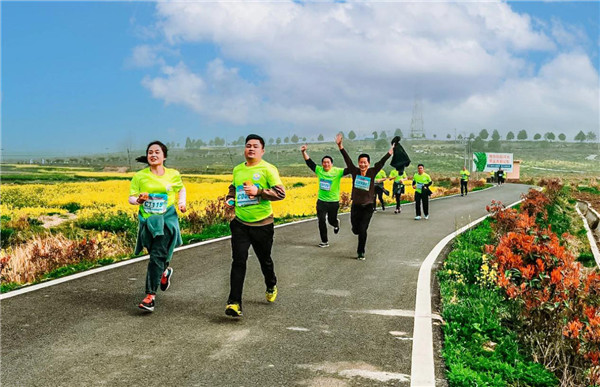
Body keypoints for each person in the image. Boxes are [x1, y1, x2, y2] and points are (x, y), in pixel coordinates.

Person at [224, 134, 286, 318]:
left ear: (262, 150)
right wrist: (230, 198)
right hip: (240, 223)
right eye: (248, 145)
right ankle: (234, 302)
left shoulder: (268, 169)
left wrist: (258, 191)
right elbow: (233, 188)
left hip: (263, 225)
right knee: (238, 261)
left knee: (264, 260)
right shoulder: (238, 170)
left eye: (255, 146)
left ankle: (271, 283)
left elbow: (280, 193)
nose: (251, 149)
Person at [129, 141, 186, 312]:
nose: (153, 155)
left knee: (157, 255)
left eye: (157, 152)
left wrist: (181, 204)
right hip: (148, 220)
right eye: (150, 152)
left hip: (166, 218)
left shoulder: (173, 174)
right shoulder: (140, 176)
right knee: (153, 250)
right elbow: (131, 198)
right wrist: (138, 200)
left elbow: (181, 189)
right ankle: (164, 271)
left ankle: (150, 296)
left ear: (164, 156)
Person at [336, 133, 394, 260]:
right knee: (355, 230)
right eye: (360, 162)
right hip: (356, 206)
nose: (362, 164)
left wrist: (390, 152)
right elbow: (347, 159)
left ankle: (360, 252)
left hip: (368, 206)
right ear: (358, 163)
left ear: (368, 163)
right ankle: (355, 230)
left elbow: (382, 162)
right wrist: (340, 146)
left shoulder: (373, 172)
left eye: (365, 162)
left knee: (363, 230)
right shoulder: (355, 171)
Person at [301, 144, 348, 248]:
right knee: (321, 220)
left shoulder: (338, 171)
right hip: (321, 201)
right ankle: (324, 241)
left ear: (332, 164)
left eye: (328, 162)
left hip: (333, 201)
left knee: (331, 220)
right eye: (324, 162)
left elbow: (350, 169)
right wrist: (303, 152)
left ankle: (336, 224)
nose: (326, 164)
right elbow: (310, 163)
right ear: (322, 164)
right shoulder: (319, 170)